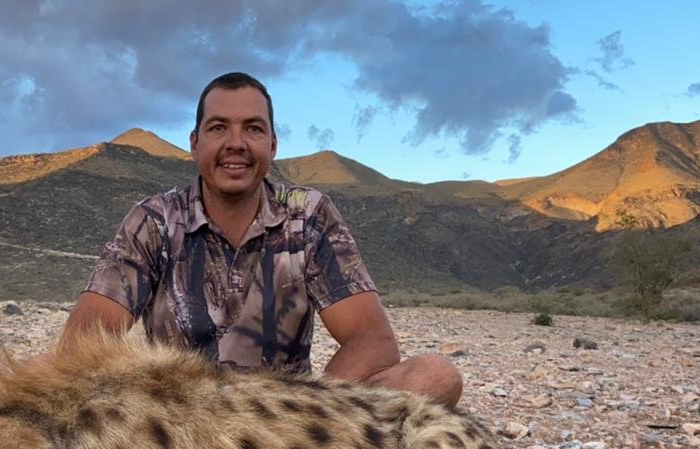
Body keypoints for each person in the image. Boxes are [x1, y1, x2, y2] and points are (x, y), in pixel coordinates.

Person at [62, 72, 462, 407]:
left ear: (272, 145)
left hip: (285, 423)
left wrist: (301, 413)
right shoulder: (152, 220)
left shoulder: (308, 215)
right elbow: (82, 348)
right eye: (218, 127)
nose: (236, 143)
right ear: (194, 143)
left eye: (253, 128)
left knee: (434, 377)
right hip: (182, 428)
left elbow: (371, 341)